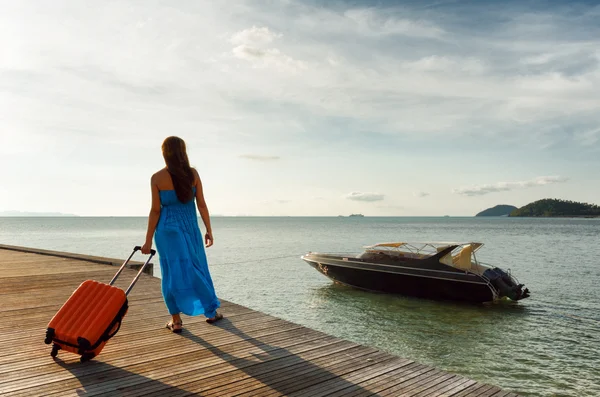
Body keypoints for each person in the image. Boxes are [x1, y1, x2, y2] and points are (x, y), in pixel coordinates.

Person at [141, 136, 223, 333]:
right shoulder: (192, 174)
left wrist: (147, 240)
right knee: (197, 268)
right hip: (189, 228)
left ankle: (176, 321)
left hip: (167, 231)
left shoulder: (157, 178)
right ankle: (211, 312)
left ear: (164, 154)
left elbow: (155, 211)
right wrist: (209, 230)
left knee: (170, 273)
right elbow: (201, 204)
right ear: (183, 152)